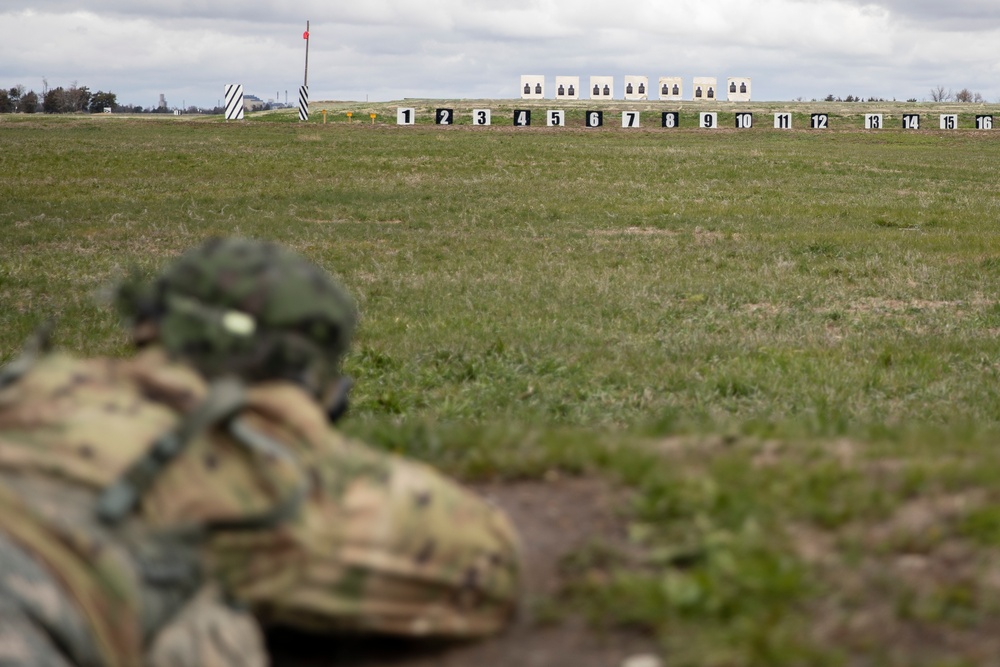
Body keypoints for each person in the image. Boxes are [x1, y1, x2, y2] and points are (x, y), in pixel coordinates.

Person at [0, 238, 521, 666]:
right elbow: (485, 566)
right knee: (210, 629)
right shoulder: (244, 464)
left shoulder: (30, 388)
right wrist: (296, 429)